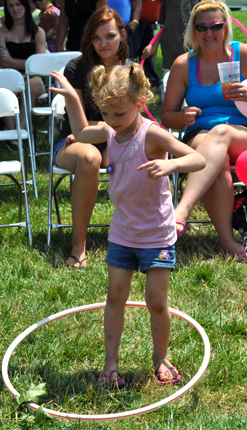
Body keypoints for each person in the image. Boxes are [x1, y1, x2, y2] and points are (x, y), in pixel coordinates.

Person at [50, 64, 205, 386]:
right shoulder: (109, 131)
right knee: (115, 296)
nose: (112, 121)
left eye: (118, 113)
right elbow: (79, 134)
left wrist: (171, 163)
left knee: (156, 301)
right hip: (122, 233)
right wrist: (70, 97)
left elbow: (197, 159)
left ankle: (160, 356)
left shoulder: (151, 133)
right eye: (105, 113)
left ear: (140, 101)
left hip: (156, 235)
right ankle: (110, 364)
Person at [161, 0, 247, 262]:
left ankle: (181, 211)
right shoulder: (184, 64)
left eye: (216, 26)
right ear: (193, 30)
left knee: (220, 133)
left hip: (243, 133)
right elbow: (167, 116)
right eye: (202, 27)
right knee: (217, 158)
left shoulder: (244, 54)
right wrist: (182, 116)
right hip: (199, 133)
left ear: (226, 27)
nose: (209, 33)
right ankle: (228, 243)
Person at [53, 7, 128, 268]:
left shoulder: (130, 70)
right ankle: (78, 246)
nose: (103, 44)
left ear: (122, 34)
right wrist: (103, 133)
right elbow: (78, 125)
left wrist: (111, 138)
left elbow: (133, 121)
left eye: (109, 36)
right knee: (89, 156)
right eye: (96, 38)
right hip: (74, 141)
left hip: (118, 140)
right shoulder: (77, 67)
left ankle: (145, 236)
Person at [0, 0, 46, 137]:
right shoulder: (0, 32)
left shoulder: (38, 32)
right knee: (2, 88)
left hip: (33, 78)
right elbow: (4, 63)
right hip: (8, 77)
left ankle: (17, 135)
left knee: (29, 86)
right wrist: (28, 63)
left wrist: (11, 60)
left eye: (18, 4)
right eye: (10, 5)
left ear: (26, 6)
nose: (15, 8)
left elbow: (39, 65)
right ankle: (16, 137)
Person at [141, 0, 198, 97]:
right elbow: (164, 25)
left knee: (195, 94)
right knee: (170, 94)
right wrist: (154, 45)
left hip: (197, 53)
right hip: (171, 52)